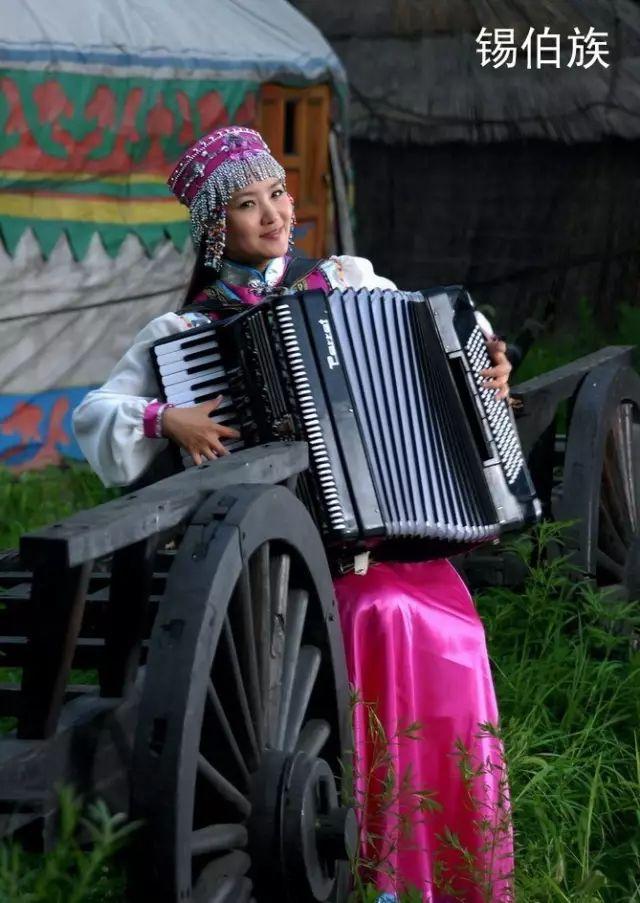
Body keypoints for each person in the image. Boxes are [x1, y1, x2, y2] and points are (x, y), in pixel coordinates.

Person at [73, 126, 514, 901]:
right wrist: (163, 419)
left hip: (392, 538)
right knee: (380, 616)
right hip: (288, 565)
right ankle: (379, 864)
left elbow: (443, 332)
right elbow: (95, 415)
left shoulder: (345, 282)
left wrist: (489, 357)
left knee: (452, 627)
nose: (275, 215)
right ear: (217, 229)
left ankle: (456, 865)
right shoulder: (187, 334)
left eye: (277, 192)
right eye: (247, 205)